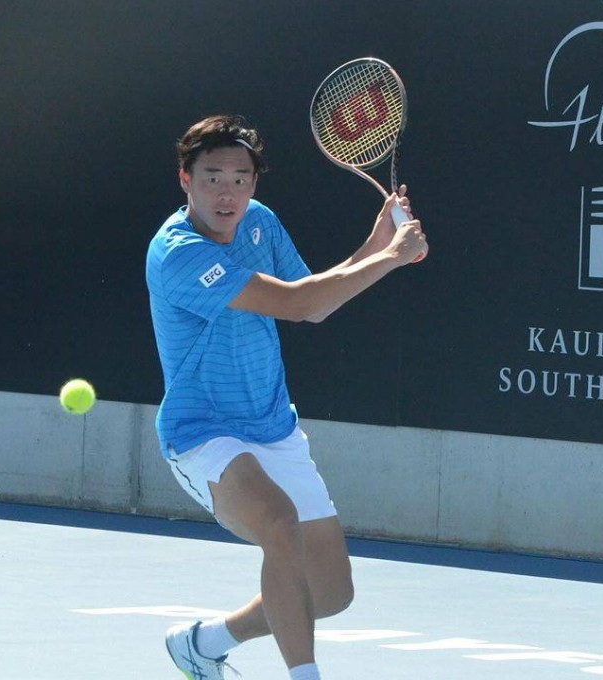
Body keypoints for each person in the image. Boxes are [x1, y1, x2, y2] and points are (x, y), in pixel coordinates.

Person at [145, 114, 427, 680]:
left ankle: (204, 643)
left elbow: (314, 300)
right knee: (279, 522)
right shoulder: (178, 254)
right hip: (204, 433)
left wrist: (377, 243)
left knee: (328, 591)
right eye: (212, 177)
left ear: (255, 183)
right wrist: (392, 256)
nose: (227, 192)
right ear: (185, 180)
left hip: (271, 425)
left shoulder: (260, 224)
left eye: (240, 178)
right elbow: (295, 304)